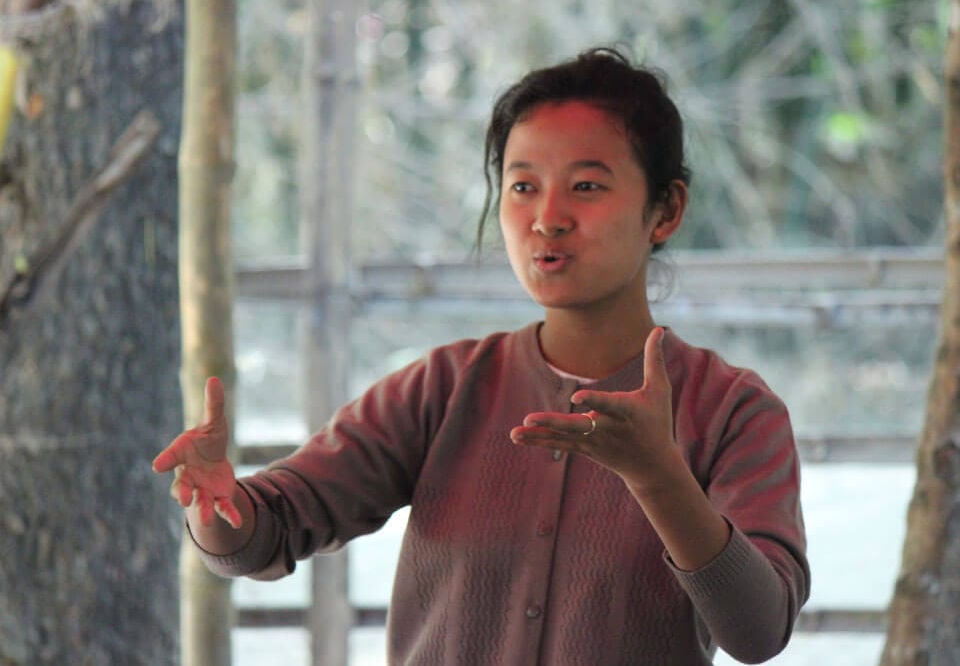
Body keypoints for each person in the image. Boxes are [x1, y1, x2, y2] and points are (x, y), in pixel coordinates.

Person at [153, 47, 809, 665]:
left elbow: (759, 630)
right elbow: (271, 526)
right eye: (523, 186)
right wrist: (218, 508)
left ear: (665, 210)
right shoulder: (444, 387)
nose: (547, 218)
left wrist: (661, 476)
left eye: (586, 186)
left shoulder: (733, 411)